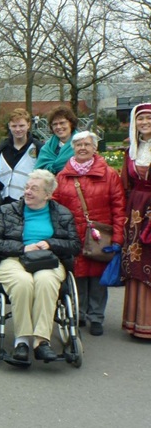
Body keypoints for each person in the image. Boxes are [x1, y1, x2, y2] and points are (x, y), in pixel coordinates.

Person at [0, 170, 81, 364]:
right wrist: (23, 247)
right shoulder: (8, 210)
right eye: (27, 187)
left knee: (45, 281)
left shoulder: (62, 214)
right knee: (23, 282)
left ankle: (41, 341)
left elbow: (75, 245)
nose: (27, 191)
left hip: (48, 259)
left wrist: (51, 243)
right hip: (14, 259)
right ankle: (22, 341)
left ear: (47, 194)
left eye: (34, 189)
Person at [53, 130, 126, 336]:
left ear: (95, 148)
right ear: (72, 148)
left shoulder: (109, 174)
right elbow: (55, 206)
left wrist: (118, 238)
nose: (82, 148)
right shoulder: (63, 175)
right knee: (77, 275)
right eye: (78, 145)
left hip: (99, 235)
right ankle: (79, 313)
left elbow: (119, 208)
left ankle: (96, 317)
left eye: (87, 144)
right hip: (73, 234)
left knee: (97, 278)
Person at [122, 103, 151, 338]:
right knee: (136, 261)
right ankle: (137, 321)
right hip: (136, 212)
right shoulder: (132, 150)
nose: (145, 123)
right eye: (141, 119)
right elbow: (125, 184)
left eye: (149, 119)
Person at [0, 109, 44, 205]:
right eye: (14, 126)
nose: (18, 129)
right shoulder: (0, 150)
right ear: (9, 126)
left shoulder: (39, 148)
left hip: (29, 202)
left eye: (21, 125)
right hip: (4, 203)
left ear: (28, 125)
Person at [35, 106, 78, 174]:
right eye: (55, 124)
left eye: (62, 123)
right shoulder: (46, 148)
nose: (58, 127)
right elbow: (38, 173)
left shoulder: (82, 144)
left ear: (71, 123)